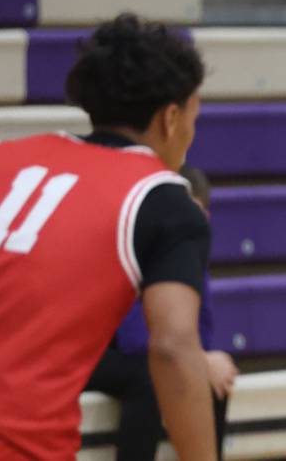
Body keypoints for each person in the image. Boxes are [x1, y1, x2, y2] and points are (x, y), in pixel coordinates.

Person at [0, 13, 217, 460]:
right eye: (194, 118)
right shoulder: (163, 199)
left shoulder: (10, 156)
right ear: (171, 118)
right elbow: (173, 348)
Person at [84, 165, 238, 461]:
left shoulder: (192, 258)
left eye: (195, 215)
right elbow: (134, 340)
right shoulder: (139, 251)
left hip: (141, 355)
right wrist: (200, 359)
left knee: (213, 378)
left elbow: (201, 334)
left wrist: (202, 361)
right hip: (94, 353)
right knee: (151, 375)